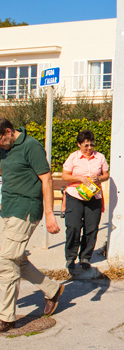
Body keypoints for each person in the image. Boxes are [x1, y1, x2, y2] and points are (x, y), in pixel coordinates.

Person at [0, 118, 64, 332]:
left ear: (8, 131)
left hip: (26, 208)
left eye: (0, 139)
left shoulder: (31, 146)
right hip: (7, 207)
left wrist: (50, 214)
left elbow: (47, 180)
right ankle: (52, 289)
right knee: (15, 257)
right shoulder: (4, 149)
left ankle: (6, 317)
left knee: (6, 259)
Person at [62, 130, 109, 273]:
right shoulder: (73, 157)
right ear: (79, 144)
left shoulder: (99, 157)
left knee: (91, 228)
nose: (89, 148)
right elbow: (65, 176)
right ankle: (71, 257)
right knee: (74, 227)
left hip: (93, 196)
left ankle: (85, 257)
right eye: (86, 145)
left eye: (91, 145)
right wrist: (80, 178)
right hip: (75, 195)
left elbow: (106, 174)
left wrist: (99, 178)